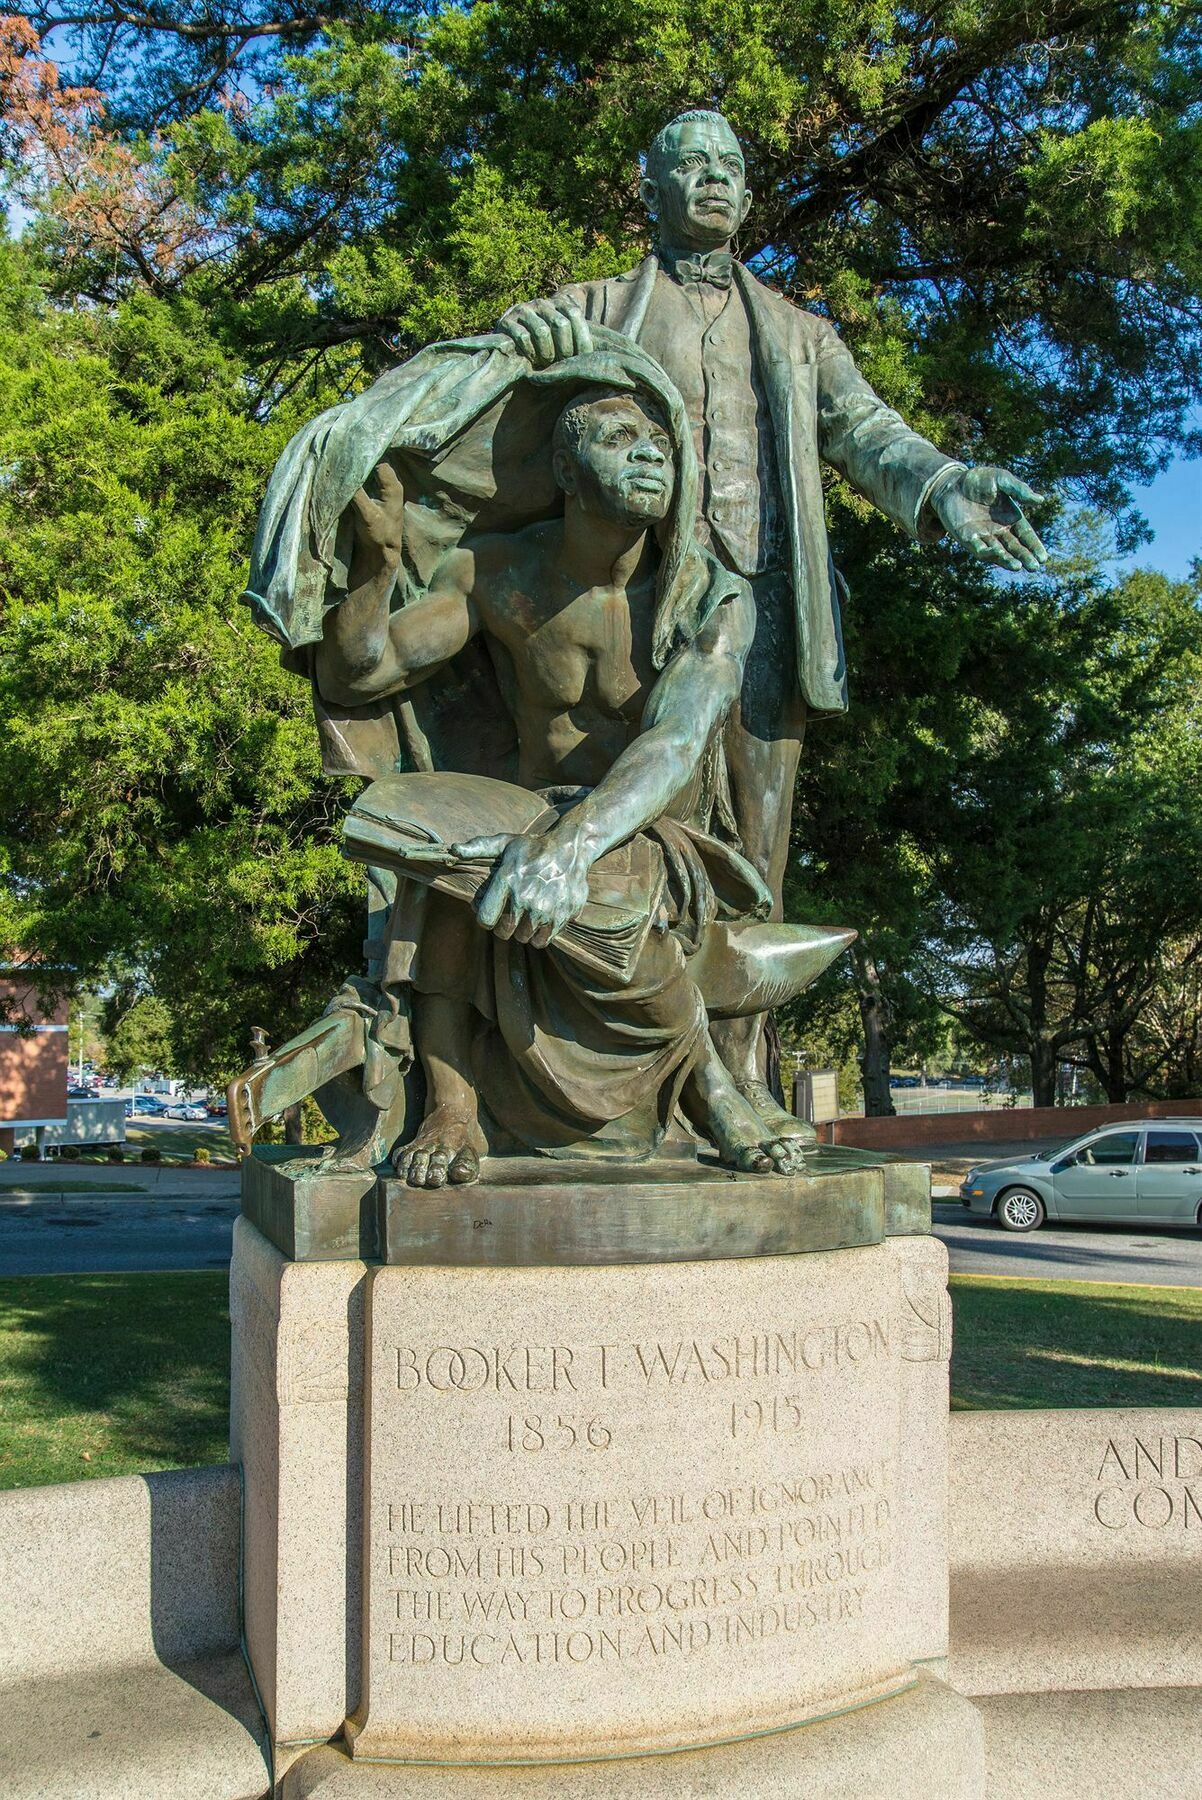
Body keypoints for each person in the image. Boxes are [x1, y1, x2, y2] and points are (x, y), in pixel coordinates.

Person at [498, 108, 1048, 1145]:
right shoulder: (592, 309)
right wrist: (528, 345)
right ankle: (616, 1098)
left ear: (746, 197)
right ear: (649, 189)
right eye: (688, 165)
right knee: (631, 837)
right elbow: (499, 413)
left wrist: (943, 484)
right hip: (631, 611)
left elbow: (867, 430)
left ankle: (736, 1090)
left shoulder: (797, 334)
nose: (711, 180)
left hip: (763, 625)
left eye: (728, 167)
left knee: (750, 865)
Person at [315, 383, 848, 1185]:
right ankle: (451, 1106)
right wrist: (375, 564)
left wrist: (568, 848)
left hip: (649, 832)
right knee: (438, 874)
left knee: (610, 889)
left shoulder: (707, 594)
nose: (649, 454)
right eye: (619, 436)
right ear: (564, 466)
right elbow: (361, 674)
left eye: (662, 446)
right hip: (525, 813)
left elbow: (673, 741)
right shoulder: (494, 572)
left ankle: (706, 1083)